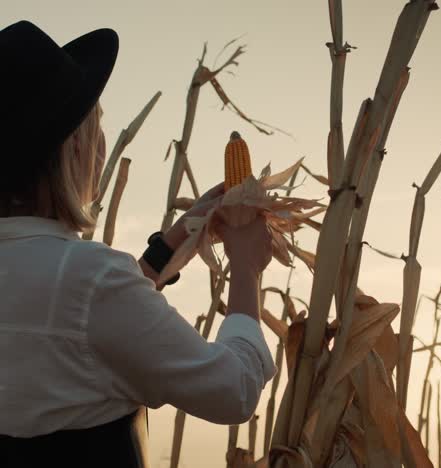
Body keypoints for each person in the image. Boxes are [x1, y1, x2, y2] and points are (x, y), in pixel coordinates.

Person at [0, 21, 276, 467]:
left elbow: (78, 328)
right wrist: (245, 268)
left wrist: (174, 243)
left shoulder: (75, 284)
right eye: (97, 128)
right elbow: (234, 390)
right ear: (73, 151)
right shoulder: (91, 280)